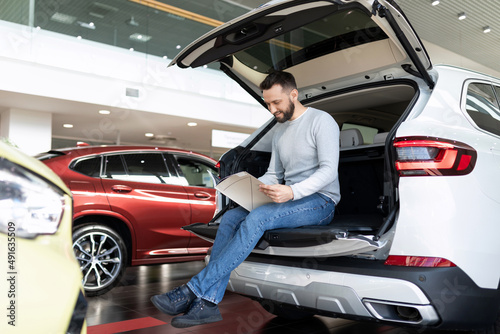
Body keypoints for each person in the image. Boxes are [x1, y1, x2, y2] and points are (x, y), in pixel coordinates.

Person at [151, 70, 341, 328]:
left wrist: (293, 191)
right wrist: (255, 188)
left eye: (276, 102)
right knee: (231, 216)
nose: (272, 109)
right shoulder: (280, 131)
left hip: (320, 201)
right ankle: (206, 303)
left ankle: (193, 290)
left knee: (259, 216)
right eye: (267, 104)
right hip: (289, 198)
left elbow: (328, 170)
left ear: (293, 94)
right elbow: (275, 173)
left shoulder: (322, 121)